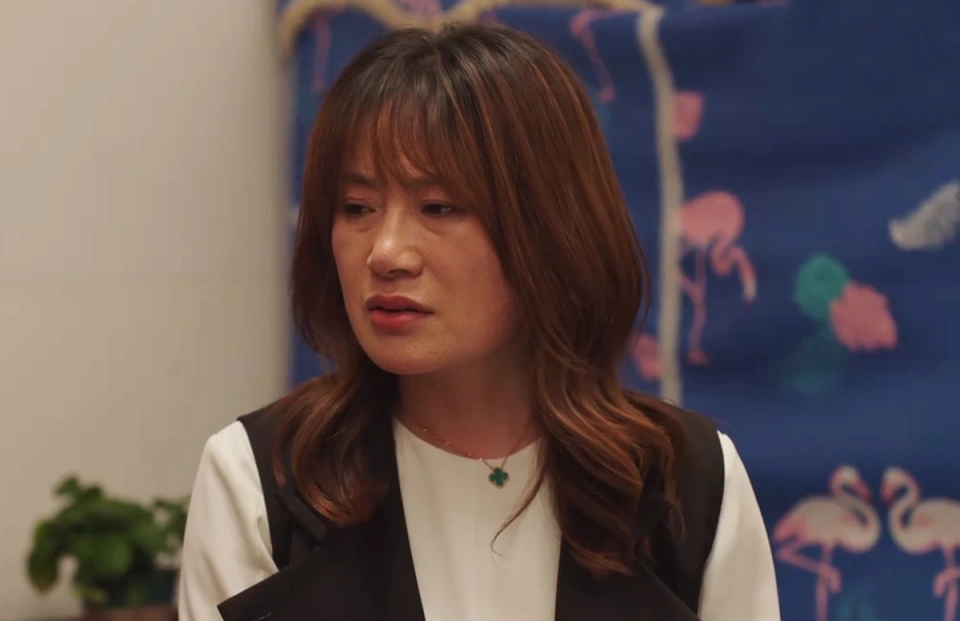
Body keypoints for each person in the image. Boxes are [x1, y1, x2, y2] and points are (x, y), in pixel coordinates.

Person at [177, 22, 780, 621]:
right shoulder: (263, 477)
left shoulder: (685, 484)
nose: (385, 253)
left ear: (551, 227)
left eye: (438, 207)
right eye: (357, 208)